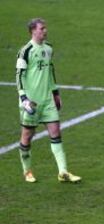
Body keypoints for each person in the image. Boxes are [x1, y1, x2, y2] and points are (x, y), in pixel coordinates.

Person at [16, 18, 81, 183]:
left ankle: (63, 172)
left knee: (56, 133)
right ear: (33, 31)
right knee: (27, 137)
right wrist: (23, 97)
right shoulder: (26, 51)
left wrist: (56, 93)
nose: (45, 31)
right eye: (42, 28)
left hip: (47, 101)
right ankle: (27, 171)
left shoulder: (48, 48)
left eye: (45, 28)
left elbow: (50, 71)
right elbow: (19, 76)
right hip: (32, 102)